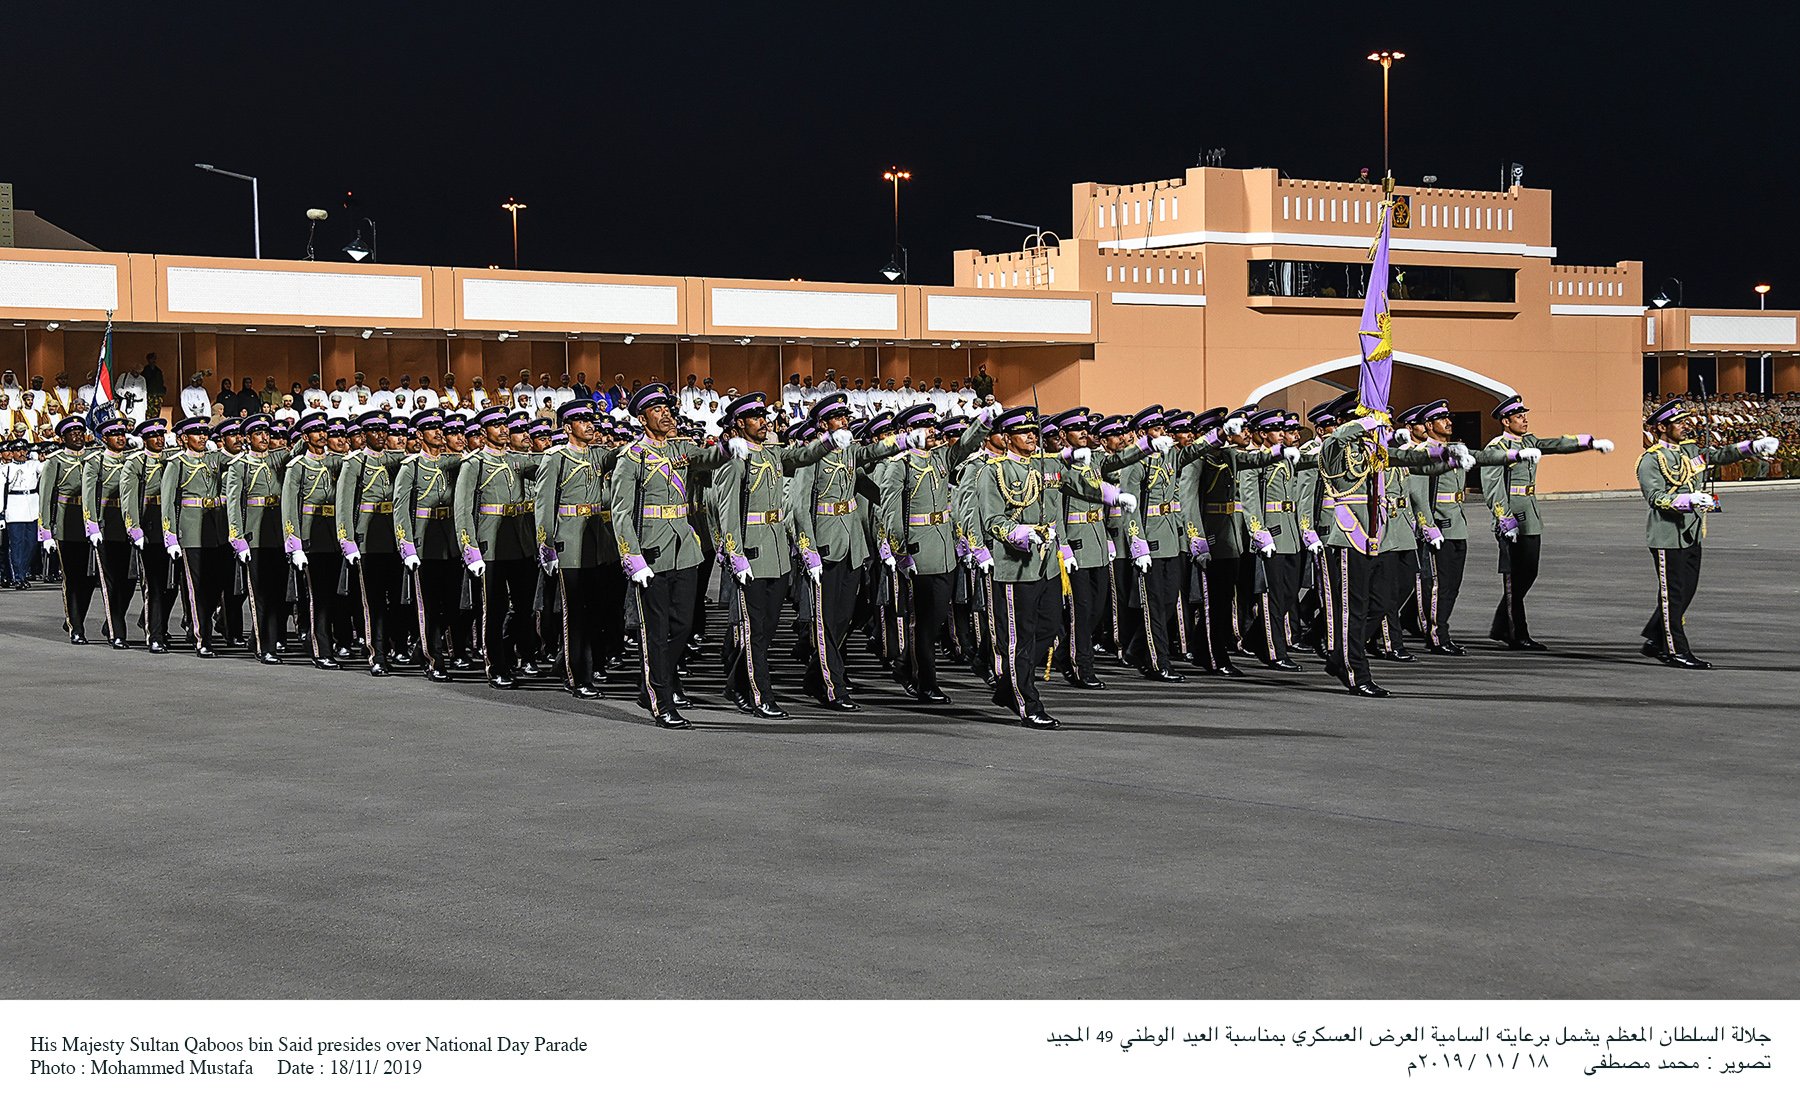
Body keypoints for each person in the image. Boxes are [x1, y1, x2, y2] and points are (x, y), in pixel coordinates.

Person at [608, 383, 739, 728]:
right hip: (651, 551)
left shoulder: (680, 448)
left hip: (685, 548)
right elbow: (621, 511)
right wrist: (631, 556)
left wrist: (728, 448)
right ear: (642, 417)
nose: (665, 413)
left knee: (683, 625)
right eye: (657, 410)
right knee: (656, 629)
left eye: (667, 408)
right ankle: (660, 699)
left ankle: (651, 683)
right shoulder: (631, 456)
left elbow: (707, 458)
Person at [705, 392, 837, 717]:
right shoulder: (735, 462)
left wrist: (830, 442)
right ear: (739, 423)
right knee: (755, 630)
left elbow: (805, 455)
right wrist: (734, 554)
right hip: (751, 553)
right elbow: (727, 512)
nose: (763, 422)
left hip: (777, 553)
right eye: (755, 417)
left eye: (763, 416)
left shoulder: (774, 454)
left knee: (768, 628)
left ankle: (735, 685)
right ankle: (761, 695)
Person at [1636, 399, 1778, 668]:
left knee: (1685, 593)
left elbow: (1720, 455)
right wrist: (1688, 500)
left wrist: (1752, 447)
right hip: (1667, 536)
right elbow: (1655, 498)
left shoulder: (1689, 451)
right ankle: (1677, 651)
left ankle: (1655, 640)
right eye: (1678, 422)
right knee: (1673, 596)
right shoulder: (1651, 460)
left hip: (1692, 533)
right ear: (1661, 427)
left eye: (1684, 421)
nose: (1684, 426)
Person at [1478, 394, 1613, 650]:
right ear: (1506, 421)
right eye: (1519, 417)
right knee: (1514, 577)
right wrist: (1504, 518)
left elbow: (1555, 444)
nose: (1524, 420)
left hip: (1530, 514)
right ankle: (1516, 633)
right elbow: (1493, 486)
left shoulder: (1529, 441)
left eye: (1524, 415)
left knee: (1528, 573)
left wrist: (1589, 443)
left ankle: (1503, 627)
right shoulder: (1497, 448)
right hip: (1512, 518)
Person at [453, 405, 542, 689]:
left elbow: (548, 464)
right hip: (489, 546)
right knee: (494, 608)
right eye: (497, 425)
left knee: (525, 606)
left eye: (505, 424)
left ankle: (513, 651)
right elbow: (463, 510)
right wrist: (470, 550)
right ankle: (496, 665)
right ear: (483, 432)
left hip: (520, 543)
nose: (504, 429)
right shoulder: (474, 463)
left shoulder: (518, 460)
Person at [336, 410, 407, 675]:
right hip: (368, 540)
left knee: (398, 599)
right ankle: (377, 654)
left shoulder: (395, 460)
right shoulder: (354, 463)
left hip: (393, 537)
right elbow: (344, 505)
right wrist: (347, 540)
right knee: (373, 602)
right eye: (374, 431)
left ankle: (398, 645)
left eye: (383, 430)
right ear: (364, 435)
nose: (381, 435)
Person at [160, 417, 233, 657]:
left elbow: (239, 459)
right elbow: (168, 502)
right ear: (183, 438)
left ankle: (196, 624)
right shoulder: (176, 463)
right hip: (190, 532)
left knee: (217, 585)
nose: (203, 437)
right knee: (197, 588)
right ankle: (203, 639)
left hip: (216, 531)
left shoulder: (214, 458)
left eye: (205, 433)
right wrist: (170, 535)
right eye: (196, 433)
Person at [224, 414, 292, 664]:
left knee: (277, 593)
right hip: (254, 537)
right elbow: (233, 503)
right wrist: (237, 537)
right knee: (260, 594)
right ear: (247, 438)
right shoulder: (240, 465)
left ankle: (262, 639)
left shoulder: (277, 458)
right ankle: (266, 646)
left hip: (278, 535)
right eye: (259, 434)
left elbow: (302, 446)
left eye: (267, 432)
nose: (265, 437)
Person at [79, 412, 138, 648]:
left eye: (122, 434)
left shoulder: (132, 460)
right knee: (110, 582)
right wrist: (91, 525)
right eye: (115, 434)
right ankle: (117, 632)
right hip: (107, 526)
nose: (120, 438)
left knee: (129, 582)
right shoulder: (96, 462)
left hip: (129, 527)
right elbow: (88, 495)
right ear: (104, 438)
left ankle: (113, 622)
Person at [38, 416, 95, 640]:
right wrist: (46, 532)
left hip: (90, 525)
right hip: (66, 524)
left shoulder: (93, 458)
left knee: (89, 579)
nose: (78, 436)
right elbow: (46, 498)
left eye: (80, 432)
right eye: (73, 433)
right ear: (63, 438)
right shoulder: (55, 461)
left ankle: (75, 616)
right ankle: (77, 628)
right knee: (72, 578)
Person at [3, 437, 42, 588]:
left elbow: (47, 466)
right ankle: (19, 577)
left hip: (32, 505)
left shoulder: (34, 465)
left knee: (31, 544)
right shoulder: (6, 468)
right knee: (17, 544)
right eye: (17, 450)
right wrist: (1, 513)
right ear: (12, 453)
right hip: (14, 505)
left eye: (24, 450)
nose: (21, 453)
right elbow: (1, 492)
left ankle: (22, 571)